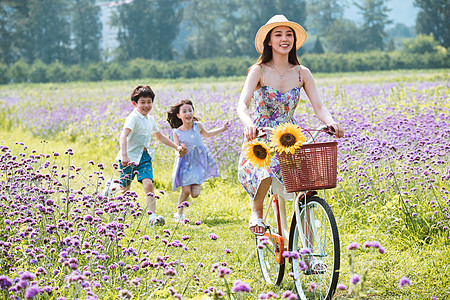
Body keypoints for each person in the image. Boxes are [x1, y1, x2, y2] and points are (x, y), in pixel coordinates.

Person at [236, 15, 344, 238]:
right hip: (263, 134)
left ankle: (309, 251)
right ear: (268, 41)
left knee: (305, 189)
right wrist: (249, 126)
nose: (284, 39)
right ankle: (256, 213)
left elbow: (319, 107)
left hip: (290, 135)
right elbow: (242, 105)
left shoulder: (302, 73)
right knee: (265, 168)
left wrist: (331, 122)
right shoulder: (259, 71)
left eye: (289, 35)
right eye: (278, 35)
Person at [115, 85, 187, 227]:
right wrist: (124, 155)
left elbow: (159, 137)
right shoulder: (133, 118)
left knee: (148, 184)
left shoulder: (150, 119)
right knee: (124, 189)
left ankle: (152, 217)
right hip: (128, 158)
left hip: (144, 157)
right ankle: (111, 193)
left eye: (149, 102)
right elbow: (123, 136)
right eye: (142, 102)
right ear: (135, 104)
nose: (146, 105)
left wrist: (177, 147)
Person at [167, 99, 229, 221]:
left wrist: (222, 128)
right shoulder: (177, 132)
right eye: (184, 111)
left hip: (198, 162)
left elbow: (207, 134)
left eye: (190, 110)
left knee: (194, 194)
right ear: (179, 115)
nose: (188, 113)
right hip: (184, 162)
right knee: (185, 191)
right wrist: (180, 151)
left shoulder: (198, 126)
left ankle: (193, 188)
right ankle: (179, 214)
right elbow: (176, 148)